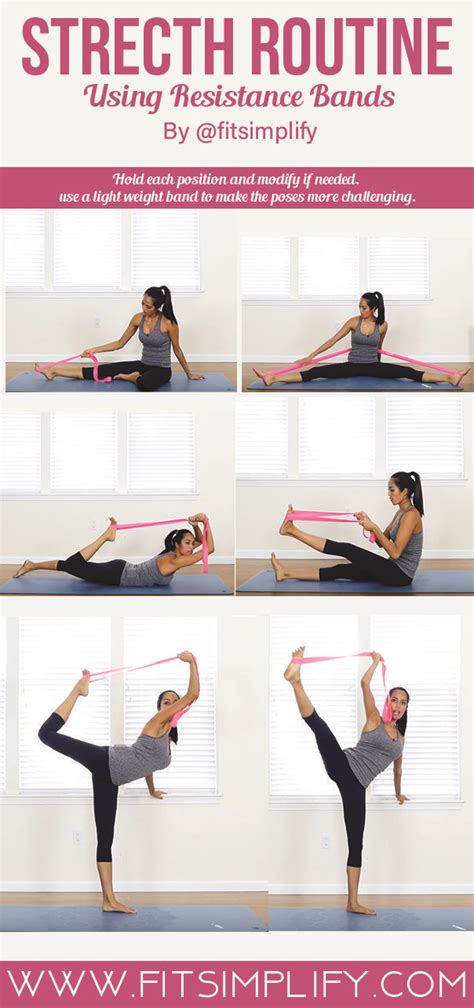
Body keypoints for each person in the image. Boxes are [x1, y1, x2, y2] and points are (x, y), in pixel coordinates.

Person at [38, 652, 199, 913]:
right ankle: (78, 690)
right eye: (166, 702)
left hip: (109, 780)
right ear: (161, 708)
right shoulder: (157, 723)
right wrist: (192, 663)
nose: (170, 704)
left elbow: (148, 764)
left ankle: (108, 901)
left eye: (173, 702)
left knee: (105, 840)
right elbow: (192, 696)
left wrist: (152, 789)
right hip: (106, 760)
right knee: (45, 734)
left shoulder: (166, 737)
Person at [284, 647, 409, 915]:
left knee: (356, 842)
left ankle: (352, 902)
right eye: (394, 700)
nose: (397, 706)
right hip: (343, 764)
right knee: (320, 727)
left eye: (403, 702)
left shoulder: (400, 741)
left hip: (357, 787)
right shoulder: (375, 717)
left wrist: (399, 793)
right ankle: (295, 680)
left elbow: (398, 769)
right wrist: (375, 662)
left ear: (406, 707)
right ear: (388, 702)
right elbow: (364, 683)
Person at [254, 292, 469, 387]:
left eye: (364, 307)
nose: (360, 310)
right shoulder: (352, 321)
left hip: (374, 366)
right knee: (316, 373)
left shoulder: (383, 325)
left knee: (408, 372)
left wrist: (380, 366)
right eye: (359, 306)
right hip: (352, 365)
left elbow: (380, 348)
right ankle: (272, 379)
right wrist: (311, 356)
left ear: (373, 308)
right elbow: (332, 341)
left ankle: (451, 378)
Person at [35, 286, 205, 391]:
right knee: (104, 369)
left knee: (146, 384)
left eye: (148, 306)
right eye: (142, 304)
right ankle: (54, 372)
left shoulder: (169, 324)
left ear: (157, 306)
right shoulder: (138, 318)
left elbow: (177, 350)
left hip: (161, 370)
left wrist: (189, 374)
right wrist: (93, 349)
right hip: (143, 364)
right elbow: (119, 343)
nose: (144, 308)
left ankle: (129, 377)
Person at [271, 472, 423, 588]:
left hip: (400, 575)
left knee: (346, 549)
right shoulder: (401, 513)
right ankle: (285, 573)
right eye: (388, 490)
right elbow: (380, 542)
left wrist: (374, 527)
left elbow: (395, 553)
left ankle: (293, 531)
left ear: (405, 492)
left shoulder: (411, 515)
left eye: (392, 490)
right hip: (392, 570)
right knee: (340, 570)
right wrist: (367, 523)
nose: (388, 494)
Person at [13, 515, 214, 588]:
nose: (191, 546)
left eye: (191, 544)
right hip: (116, 575)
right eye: (187, 543)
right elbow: (209, 548)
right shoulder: (174, 561)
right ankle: (105, 536)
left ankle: (31, 565)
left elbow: (200, 542)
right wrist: (205, 522)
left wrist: (197, 525)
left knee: (69, 565)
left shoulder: (175, 553)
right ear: (177, 545)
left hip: (119, 570)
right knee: (73, 565)